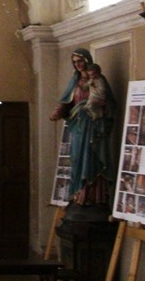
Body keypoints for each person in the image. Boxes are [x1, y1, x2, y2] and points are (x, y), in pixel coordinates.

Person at [50, 48, 116, 209]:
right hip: (78, 127)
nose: (77, 65)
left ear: (87, 60)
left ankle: (95, 197)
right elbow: (66, 101)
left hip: (94, 125)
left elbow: (110, 103)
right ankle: (79, 194)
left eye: (80, 61)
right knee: (77, 157)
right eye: (74, 62)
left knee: (93, 158)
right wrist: (58, 111)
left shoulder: (99, 79)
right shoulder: (75, 81)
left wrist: (103, 105)